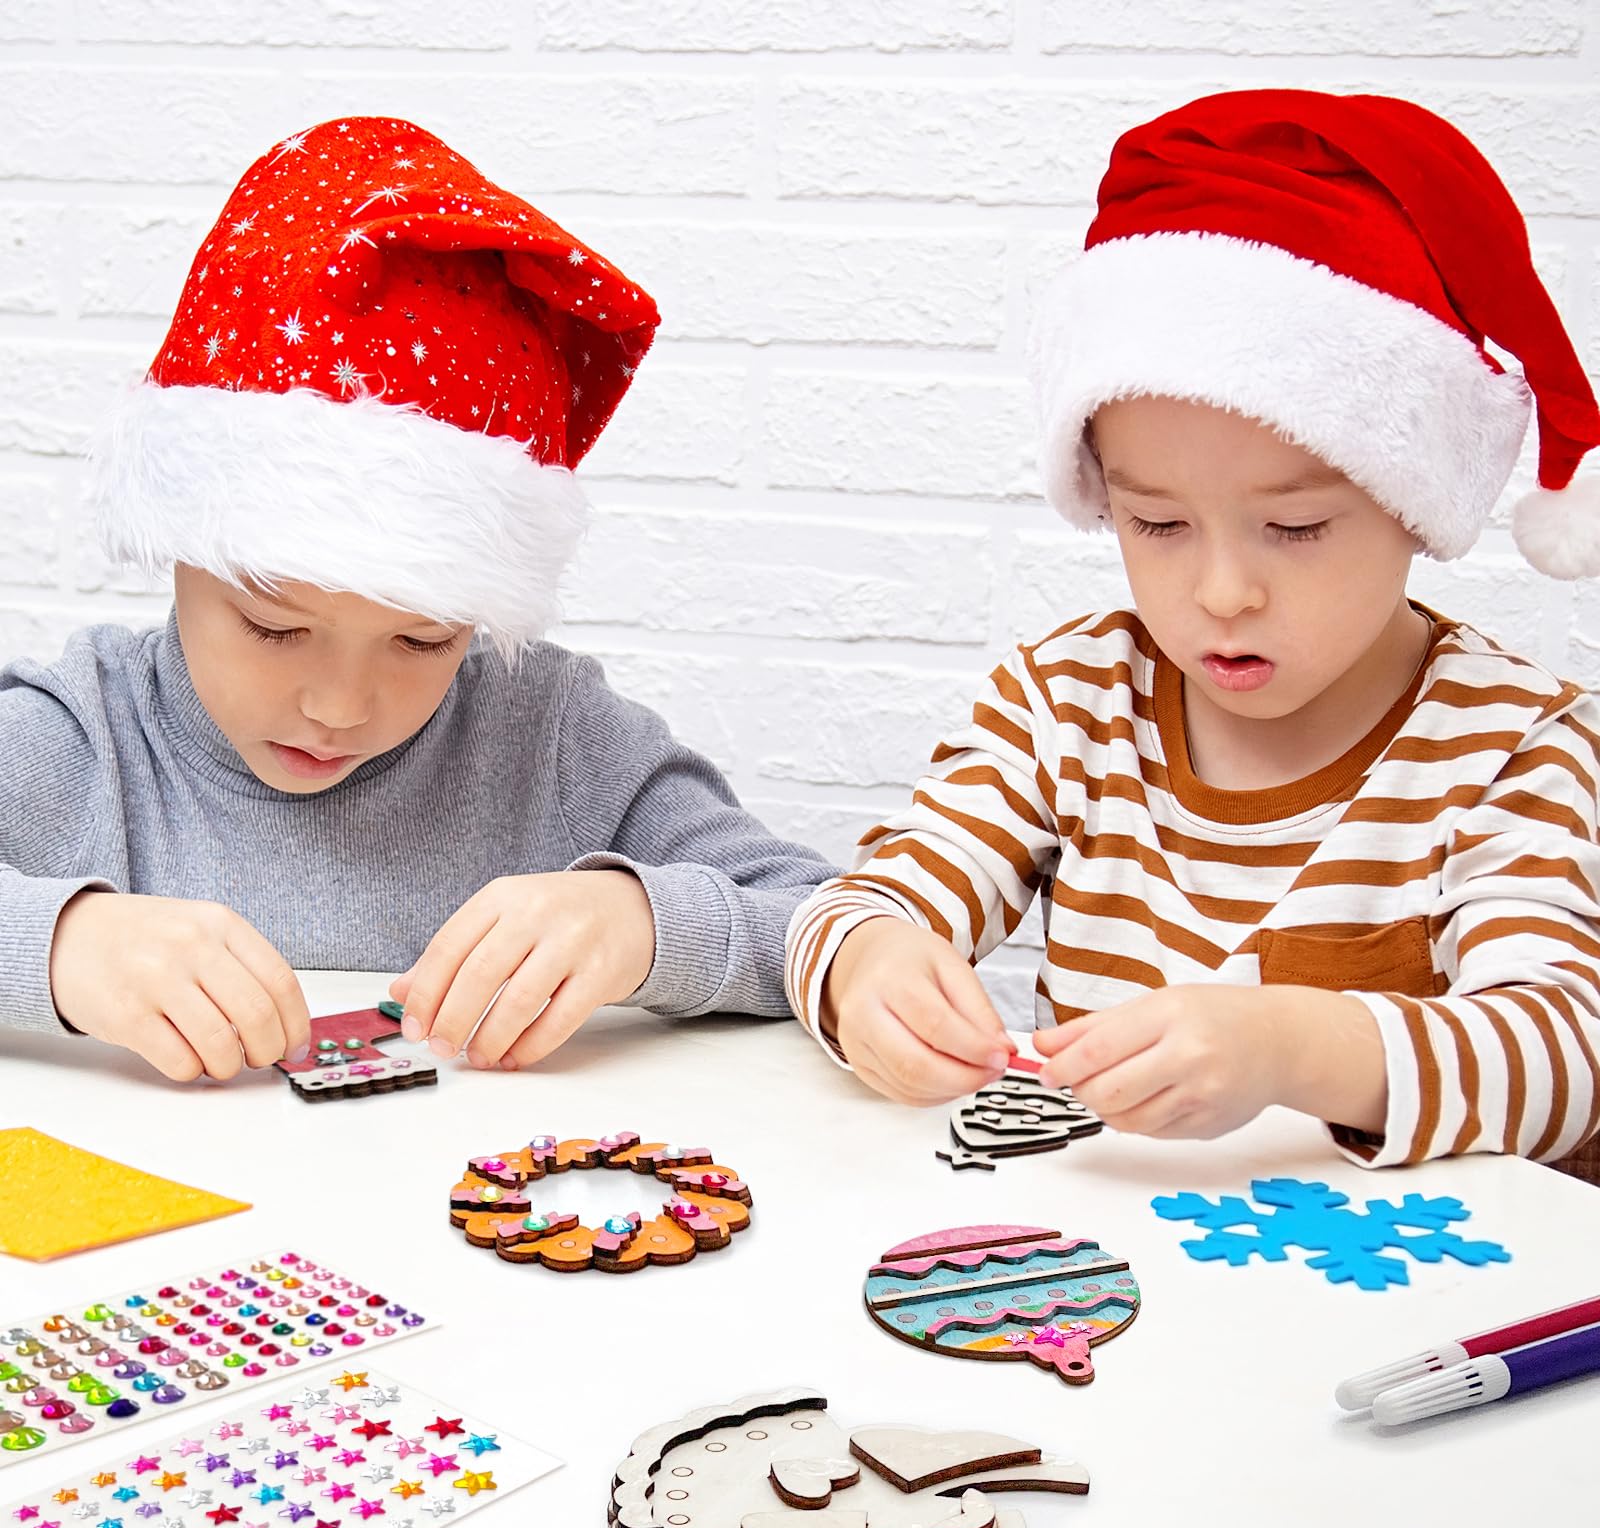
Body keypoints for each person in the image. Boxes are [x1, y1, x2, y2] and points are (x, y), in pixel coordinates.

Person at [787, 89, 1600, 1176]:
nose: (1221, 591)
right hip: (1104, 1284)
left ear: (1417, 502)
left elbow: (1562, 1061)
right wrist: (867, 964)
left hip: (1394, 1307)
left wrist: (1292, 1044)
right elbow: (861, 899)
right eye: (1155, 522)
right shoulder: (1065, 698)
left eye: (1295, 527)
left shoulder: (1513, 745)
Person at [0, 116, 833, 1084]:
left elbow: (826, 924)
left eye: (422, 641)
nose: (340, 704)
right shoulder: (76, 740)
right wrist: (58, 944)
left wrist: (641, 924)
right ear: (179, 552)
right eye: (276, 627)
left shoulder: (552, 737)